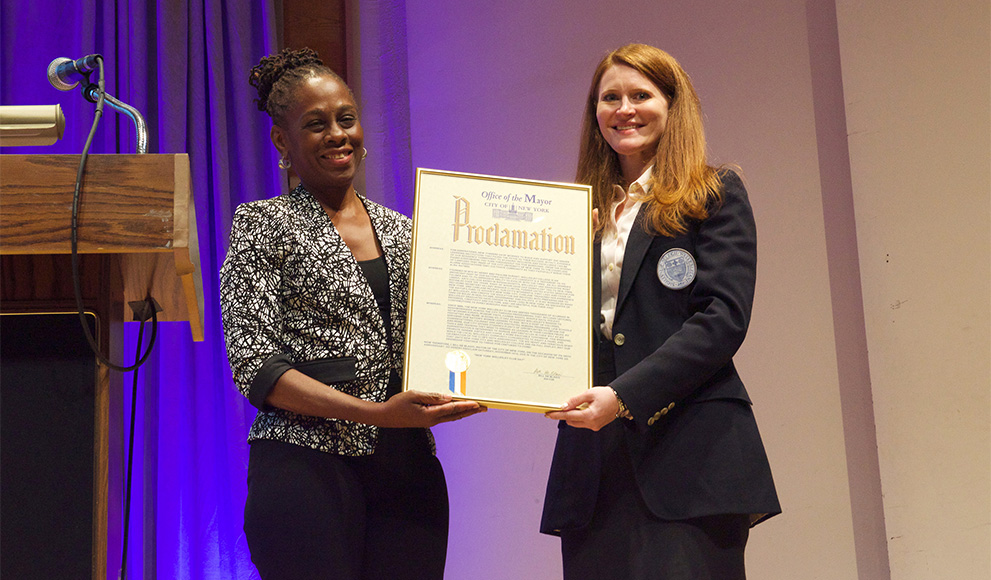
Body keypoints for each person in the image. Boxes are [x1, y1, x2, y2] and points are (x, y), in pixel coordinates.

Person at [220, 48, 484, 580]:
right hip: (304, 468)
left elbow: (456, 330)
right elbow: (257, 367)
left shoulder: (408, 232)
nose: (338, 135)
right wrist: (377, 414)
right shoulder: (261, 226)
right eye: (316, 125)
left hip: (406, 470)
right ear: (281, 141)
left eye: (347, 118)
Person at [542, 44, 781, 580]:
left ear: (673, 106)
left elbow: (722, 320)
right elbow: (548, 324)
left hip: (690, 457)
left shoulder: (714, 194)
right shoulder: (575, 214)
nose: (624, 109)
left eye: (640, 95)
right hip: (595, 468)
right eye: (610, 97)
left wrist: (624, 396)